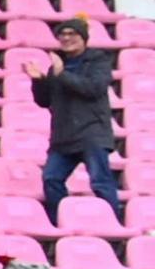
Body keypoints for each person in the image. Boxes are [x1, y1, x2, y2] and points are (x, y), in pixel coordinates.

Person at [30, 15, 121, 213]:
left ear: (83, 38)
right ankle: (61, 219)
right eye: (62, 34)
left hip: (92, 134)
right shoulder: (56, 66)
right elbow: (44, 101)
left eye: (72, 34)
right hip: (63, 136)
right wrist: (38, 81)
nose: (66, 38)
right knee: (51, 178)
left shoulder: (97, 61)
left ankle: (113, 222)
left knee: (100, 181)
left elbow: (93, 88)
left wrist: (62, 74)